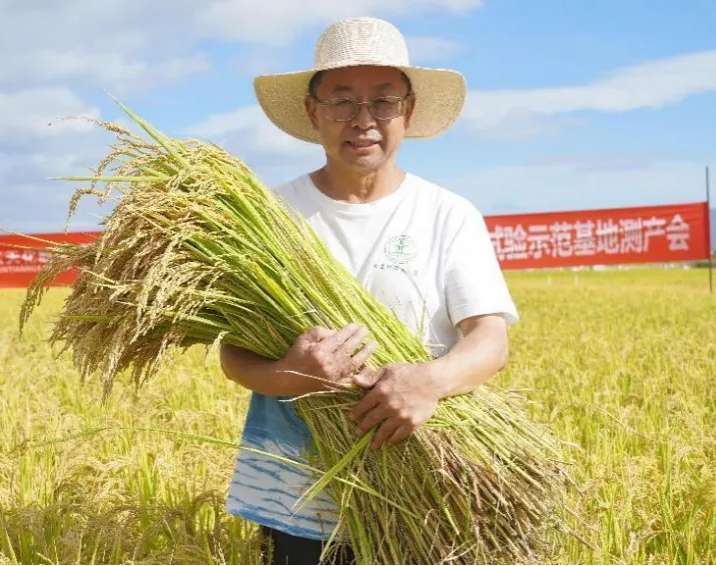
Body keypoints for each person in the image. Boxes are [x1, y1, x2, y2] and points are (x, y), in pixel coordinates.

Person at [219, 16, 519, 565]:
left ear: (407, 110)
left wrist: (429, 382)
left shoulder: (447, 215)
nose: (364, 120)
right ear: (313, 112)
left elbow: (490, 339)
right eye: (342, 101)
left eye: (383, 101)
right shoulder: (268, 219)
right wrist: (291, 375)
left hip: (427, 493)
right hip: (298, 500)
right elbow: (233, 356)